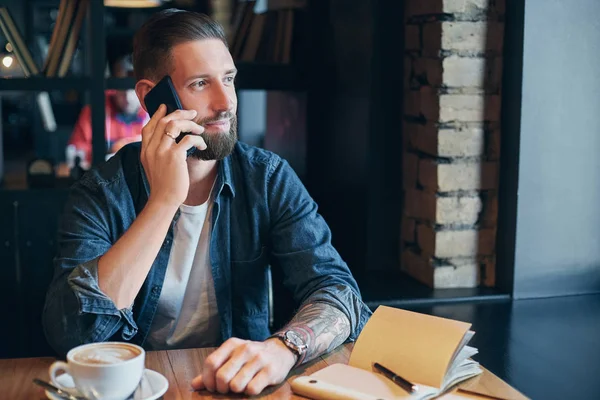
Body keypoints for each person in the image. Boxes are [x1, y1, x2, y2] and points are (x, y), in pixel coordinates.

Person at [42, 9, 371, 396]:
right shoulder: (101, 191)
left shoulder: (267, 177)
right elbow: (73, 333)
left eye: (228, 79)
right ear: (152, 97)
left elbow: (339, 294)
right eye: (200, 83)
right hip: (137, 389)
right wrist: (164, 201)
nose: (225, 102)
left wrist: (284, 349)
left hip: (232, 388)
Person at [66, 55, 149, 168]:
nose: (128, 97)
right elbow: (74, 153)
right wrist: (110, 150)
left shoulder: (153, 110)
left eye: (134, 88)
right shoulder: (96, 110)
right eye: (122, 88)